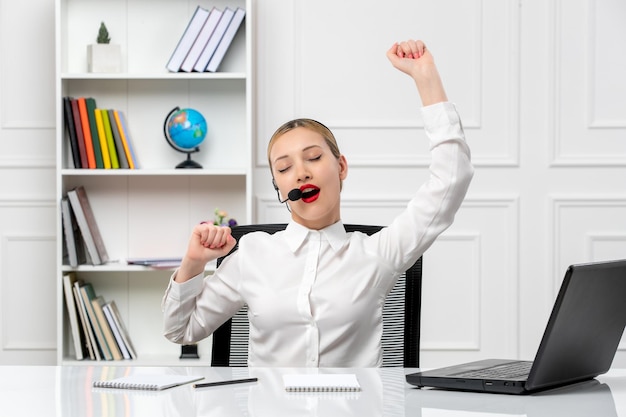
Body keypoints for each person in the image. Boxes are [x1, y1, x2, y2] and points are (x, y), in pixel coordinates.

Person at [162, 39, 474, 367]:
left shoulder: (378, 253)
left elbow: (450, 181)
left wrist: (426, 78)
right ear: (279, 186)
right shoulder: (251, 255)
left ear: (341, 167)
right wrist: (193, 264)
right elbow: (179, 330)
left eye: (313, 157)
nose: (300, 173)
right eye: (284, 168)